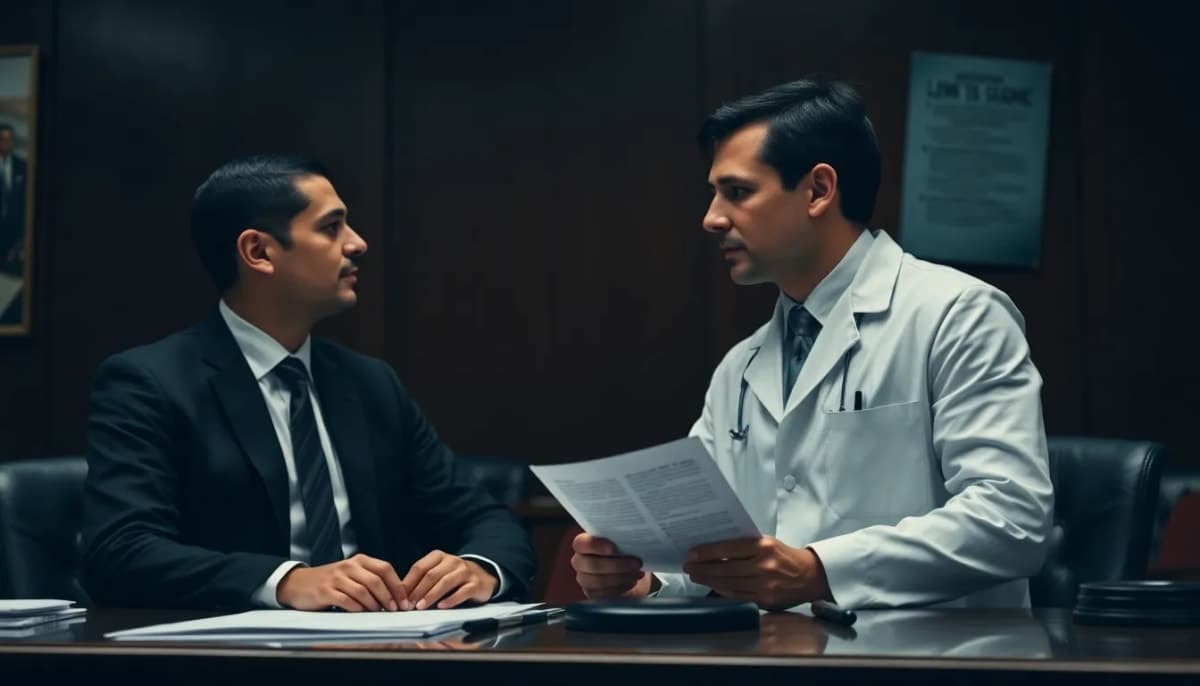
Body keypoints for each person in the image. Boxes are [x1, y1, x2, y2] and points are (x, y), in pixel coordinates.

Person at [571, 78, 1053, 610]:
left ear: (819, 190)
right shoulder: (741, 365)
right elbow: (708, 554)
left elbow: (1012, 520)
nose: (711, 218)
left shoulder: (958, 314)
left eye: (737, 192)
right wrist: (647, 580)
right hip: (778, 659)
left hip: (931, 661)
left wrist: (819, 570)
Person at [81, 155, 536, 611]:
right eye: (331, 227)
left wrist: (479, 569)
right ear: (258, 252)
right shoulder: (150, 382)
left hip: (384, 650)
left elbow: (484, 519)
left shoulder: (370, 383)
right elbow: (120, 552)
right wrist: (285, 582)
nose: (357, 244)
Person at [0, 123, 28, 277]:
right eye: (2, 139)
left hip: (14, 234)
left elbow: (26, 202)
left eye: (9, 139)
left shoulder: (22, 167)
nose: (6, 143)